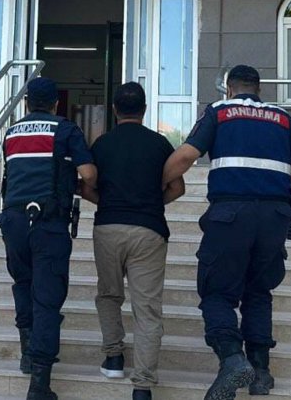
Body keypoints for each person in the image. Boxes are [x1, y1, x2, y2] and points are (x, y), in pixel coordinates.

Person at [162, 65, 291, 400]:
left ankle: (232, 359)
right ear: (259, 88)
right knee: (258, 291)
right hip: (275, 216)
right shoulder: (283, 118)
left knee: (218, 292)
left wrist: (157, 185)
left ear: (229, 88)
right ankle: (261, 371)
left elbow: (185, 156)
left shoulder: (220, 112)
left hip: (230, 214)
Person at [81, 82, 186, 400]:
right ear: (144, 110)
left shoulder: (101, 143)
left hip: (109, 228)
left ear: (114, 110)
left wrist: (108, 202)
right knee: (147, 309)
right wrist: (152, 206)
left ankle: (114, 358)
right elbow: (177, 188)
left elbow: (87, 187)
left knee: (109, 295)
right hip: (149, 231)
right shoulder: (160, 144)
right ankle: (142, 386)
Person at [0, 77, 98, 400]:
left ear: (26, 103)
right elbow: (90, 174)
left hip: (13, 222)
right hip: (47, 224)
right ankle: (39, 383)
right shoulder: (64, 130)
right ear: (56, 103)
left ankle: (27, 353)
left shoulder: (11, 133)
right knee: (47, 299)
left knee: (22, 285)